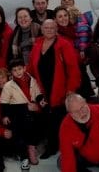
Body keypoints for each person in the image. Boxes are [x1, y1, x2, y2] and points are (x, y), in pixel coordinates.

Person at [29, 19, 81, 158]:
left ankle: (55, 147)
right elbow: (31, 66)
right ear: (42, 29)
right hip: (42, 88)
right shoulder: (38, 44)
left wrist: (71, 90)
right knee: (46, 118)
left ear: (56, 28)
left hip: (60, 89)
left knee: (58, 120)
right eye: (46, 27)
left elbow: (73, 70)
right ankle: (50, 144)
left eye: (52, 27)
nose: (49, 29)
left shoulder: (64, 44)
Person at [0, 59, 46, 169]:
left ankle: (31, 149)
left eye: (20, 69)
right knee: (19, 137)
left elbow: (37, 93)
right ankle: (23, 157)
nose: (18, 72)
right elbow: (4, 102)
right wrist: (5, 115)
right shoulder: (8, 85)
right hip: (16, 114)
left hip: (30, 113)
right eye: (14, 70)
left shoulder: (32, 80)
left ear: (24, 68)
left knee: (33, 132)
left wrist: (40, 100)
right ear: (11, 72)